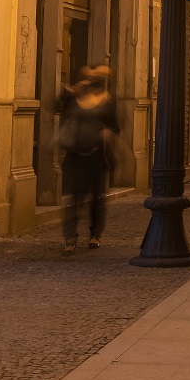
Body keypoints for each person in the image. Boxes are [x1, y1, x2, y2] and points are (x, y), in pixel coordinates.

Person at [58, 65, 119, 254]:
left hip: (97, 156)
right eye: (93, 76)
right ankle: (70, 237)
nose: (96, 80)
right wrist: (71, 90)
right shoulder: (74, 98)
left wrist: (108, 133)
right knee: (74, 197)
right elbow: (56, 107)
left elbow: (115, 126)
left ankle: (95, 234)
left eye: (101, 77)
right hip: (76, 155)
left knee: (96, 197)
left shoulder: (106, 101)